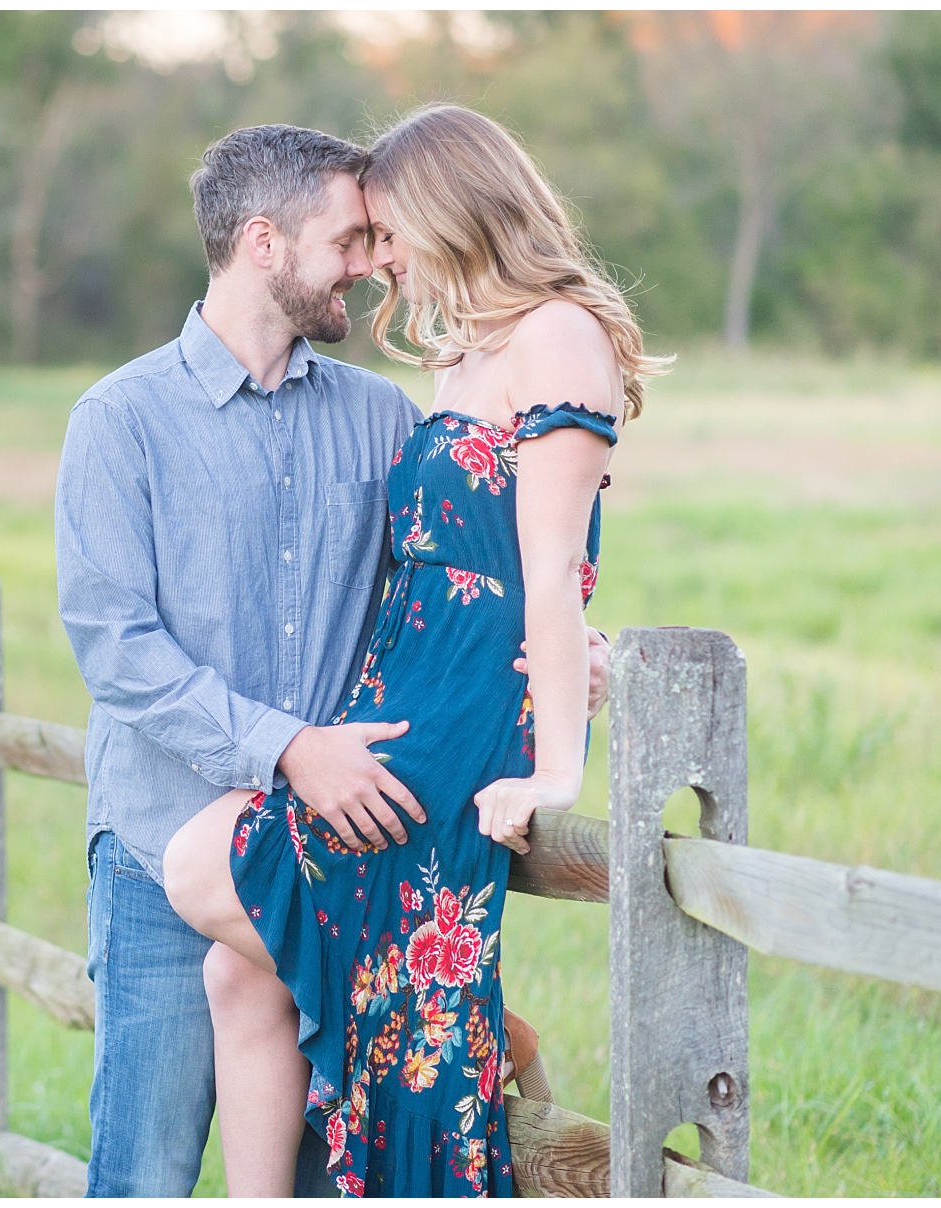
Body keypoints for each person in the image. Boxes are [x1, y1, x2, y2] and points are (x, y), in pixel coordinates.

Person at [55, 122, 612, 1197]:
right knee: (145, 1169)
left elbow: (477, 557)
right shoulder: (121, 419)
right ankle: (491, 1031)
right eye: (350, 238)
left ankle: (474, 1035)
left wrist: (554, 658)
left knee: (326, 1146)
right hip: (165, 823)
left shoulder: (382, 415)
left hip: (358, 813)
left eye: (379, 235)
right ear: (263, 243)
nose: (371, 262)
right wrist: (291, 748)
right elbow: (115, 650)